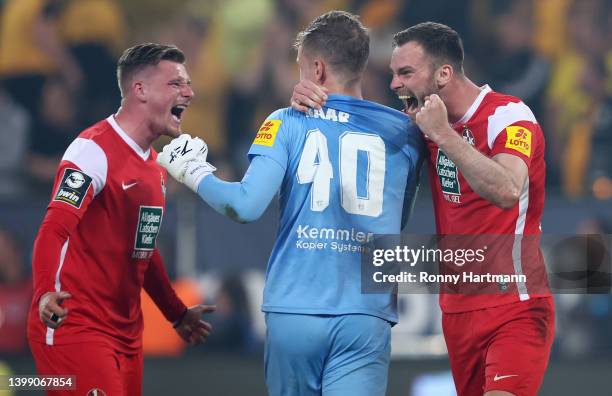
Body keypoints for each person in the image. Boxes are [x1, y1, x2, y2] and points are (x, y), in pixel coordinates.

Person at [157, 11, 425, 396]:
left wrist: (193, 171)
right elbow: (396, 217)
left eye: (299, 69)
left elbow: (245, 207)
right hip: (365, 313)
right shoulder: (407, 132)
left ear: (316, 69)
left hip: (295, 309)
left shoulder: (287, 121)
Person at [291, 21, 555, 396]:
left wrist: (444, 134)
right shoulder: (420, 125)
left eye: (405, 73)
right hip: (458, 314)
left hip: (517, 306)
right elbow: (347, 132)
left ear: (444, 73)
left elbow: (508, 189)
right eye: (393, 74)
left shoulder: (508, 117)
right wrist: (309, 100)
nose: (395, 84)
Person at [27, 43, 215, 396]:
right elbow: (53, 229)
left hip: (127, 338)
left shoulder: (154, 167)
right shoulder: (92, 151)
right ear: (139, 90)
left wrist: (175, 313)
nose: (189, 92)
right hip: (74, 326)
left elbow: (142, 250)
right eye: (176, 84)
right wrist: (44, 294)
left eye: (188, 84)